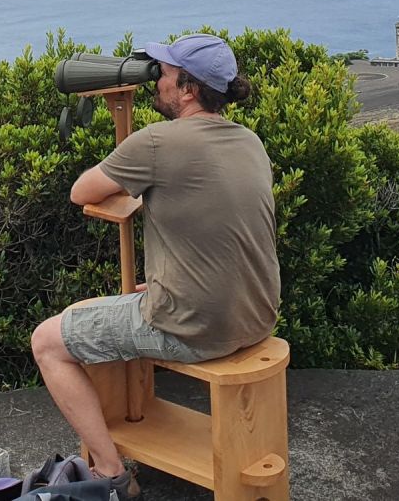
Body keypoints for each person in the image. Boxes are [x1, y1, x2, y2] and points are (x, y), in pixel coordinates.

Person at [30, 34, 280, 500]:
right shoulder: (248, 141)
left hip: (197, 326)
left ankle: (110, 473)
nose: (156, 83)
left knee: (47, 342)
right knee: (123, 303)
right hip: (257, 314)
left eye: (163, 74)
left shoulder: (158, 143)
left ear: (187, 88)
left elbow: (81, 192)